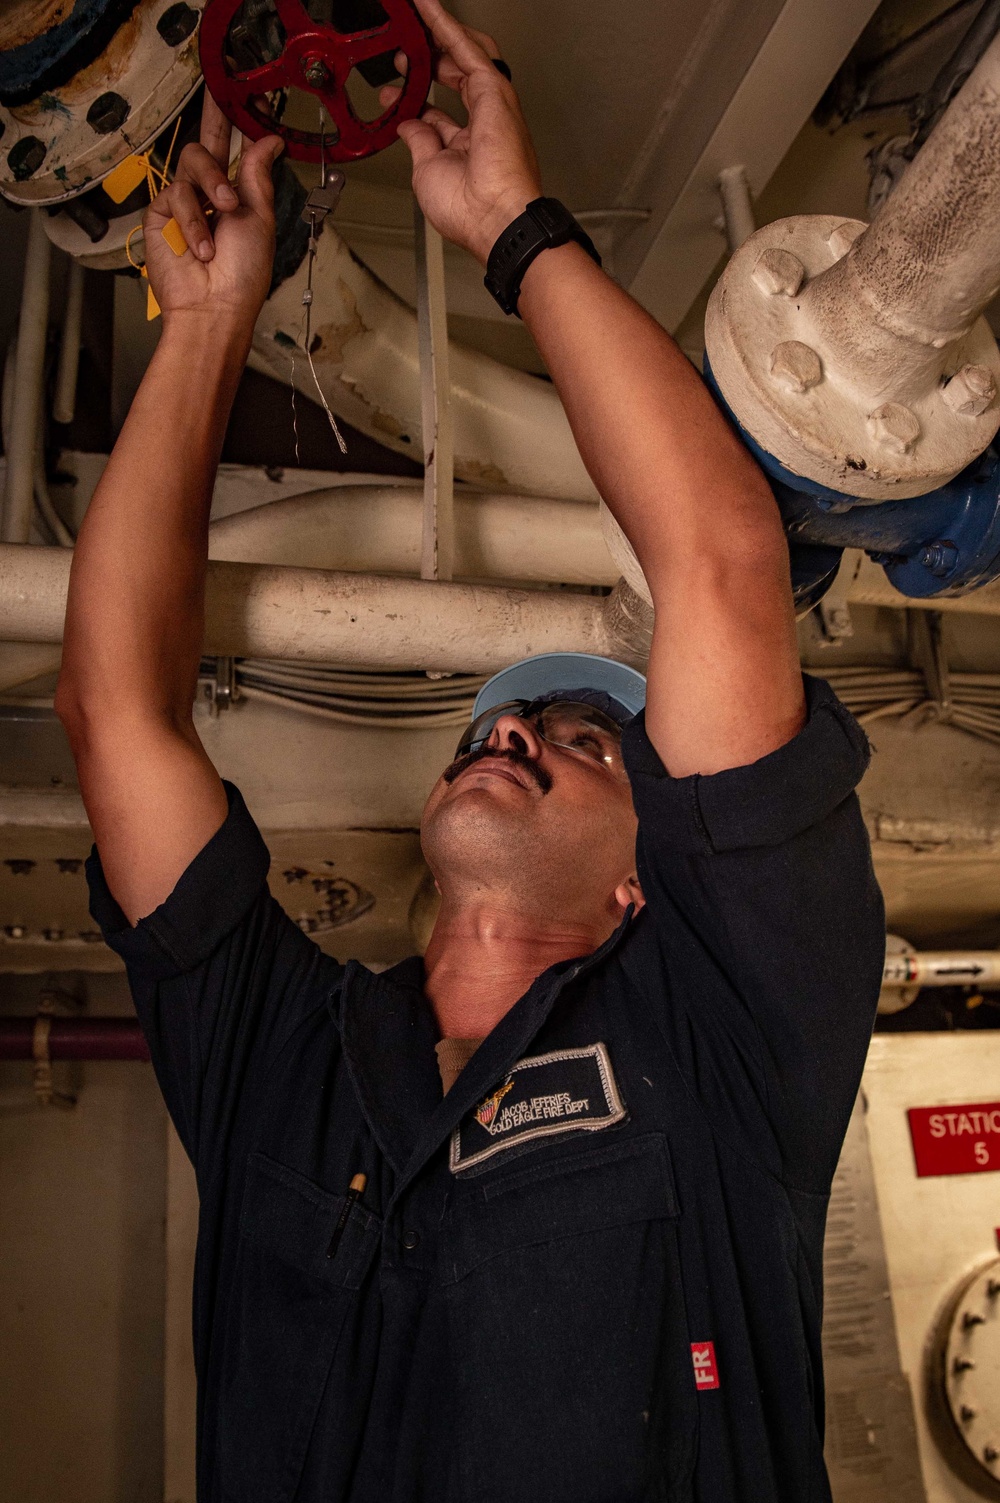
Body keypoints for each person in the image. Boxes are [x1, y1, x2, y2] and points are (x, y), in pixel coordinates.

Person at [55, 1, 885, 1497]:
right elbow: (121, 704)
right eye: (527, 722)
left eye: (582, 735)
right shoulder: (306, 1064)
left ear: (658, 889)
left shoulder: (725, 1040)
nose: (510, 724)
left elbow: (108, 711)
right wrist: (207, 321)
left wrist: (505, 224)